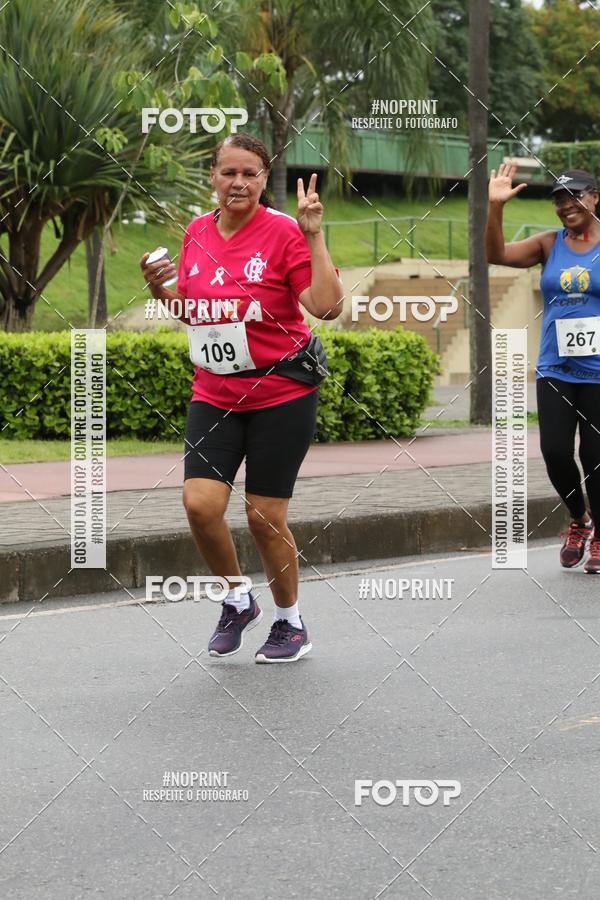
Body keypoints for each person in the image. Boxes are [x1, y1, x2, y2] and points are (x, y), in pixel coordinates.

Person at [140, 133, 344, 660]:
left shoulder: (284, 233)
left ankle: (290, 622)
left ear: (262, 180)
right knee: (200, 505)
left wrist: (315, 236)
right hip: (214, 392)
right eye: (229, 172)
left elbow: (325, 307)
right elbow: (193, 311)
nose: (238, 183)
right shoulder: (195, 232)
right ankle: (237, 598)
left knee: (263, 515)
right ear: (213, 176)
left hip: (281, 392)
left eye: (250, 174)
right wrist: (159, 291)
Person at [486, 163, 600, 574]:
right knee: (554, 451)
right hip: (556, 366)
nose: (567, 205)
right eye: (559, 199)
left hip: (599, 371)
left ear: (595, 197)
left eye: (575, 196)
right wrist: (495, 207)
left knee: (594, 454)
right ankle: (580, 519)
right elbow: (495, 254)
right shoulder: (550, 245)